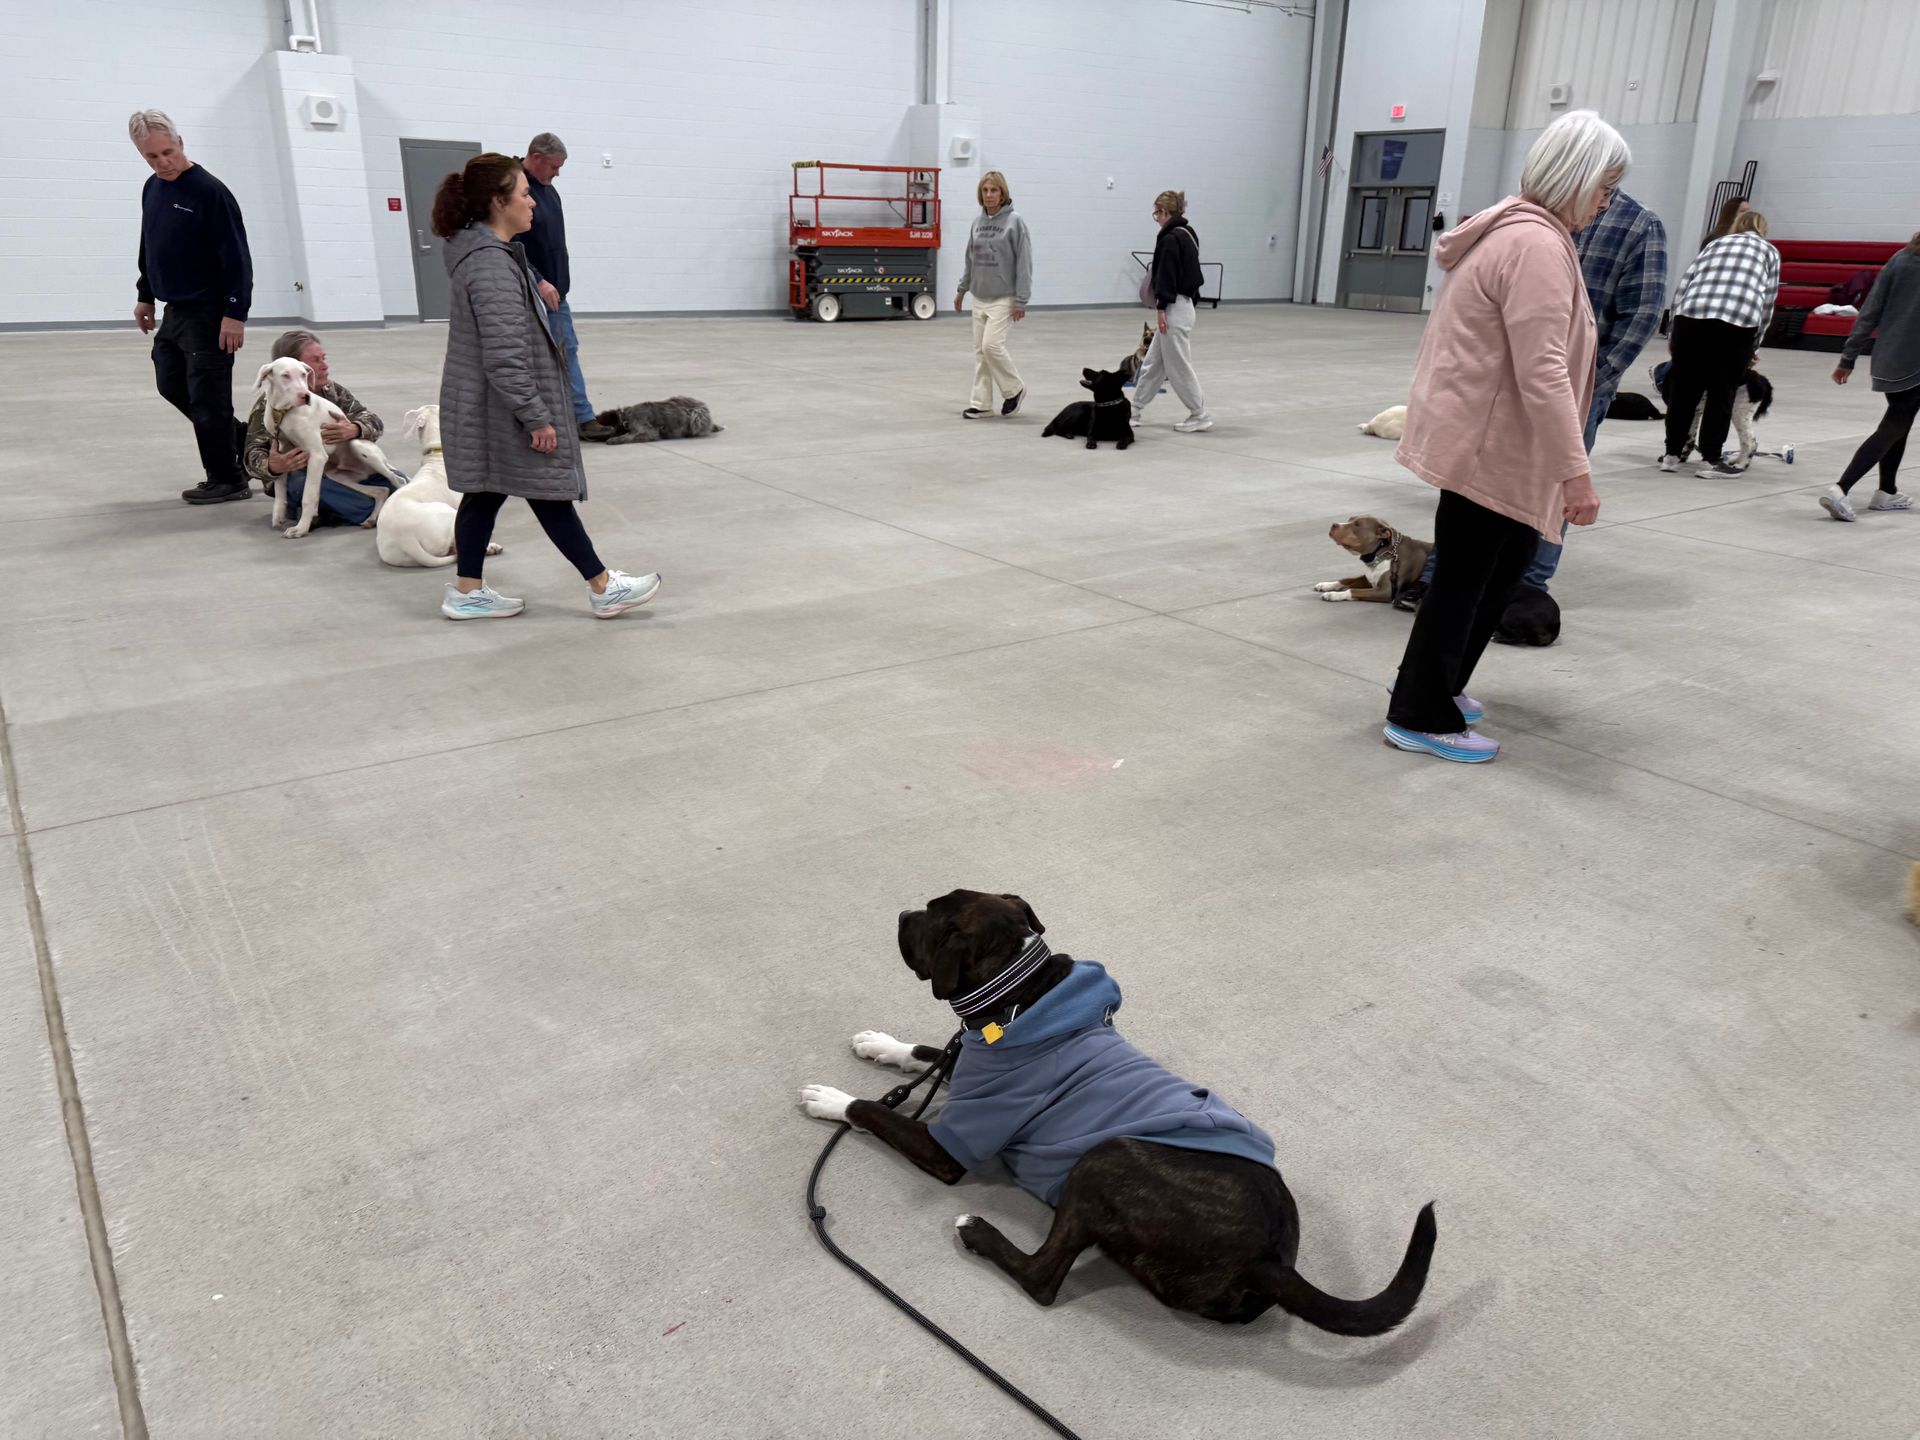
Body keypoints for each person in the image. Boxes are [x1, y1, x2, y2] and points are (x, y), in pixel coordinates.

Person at [1382, 110, 1619, 764]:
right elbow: (1541, 367)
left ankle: (1435, 687)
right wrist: (1576, 472)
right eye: (1604, 186)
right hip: (1495, 444)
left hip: (1492, 439)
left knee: (1491, 576)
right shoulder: (1536, 245)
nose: (1606, 202)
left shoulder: (1518, 232)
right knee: (1468, 582)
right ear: (1575, 177)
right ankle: (1420, 713)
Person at [1403, 183, 1668, 606]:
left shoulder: (1638, 224)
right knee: (1478, 498)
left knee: (1548, 500)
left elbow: (1643, 312)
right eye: (1600, 186)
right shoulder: (1527, 226)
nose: (1601, 203)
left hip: (1573, 386)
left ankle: (1524, 593)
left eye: (1608, 188)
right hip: (1506, 390)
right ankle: (1444, 584)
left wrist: (1591, 382)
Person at [430, 153, 659, 620]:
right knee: (546, 489)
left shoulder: (489, 255)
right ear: (499, 202)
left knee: (487, 491)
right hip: (499, 404)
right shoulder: (491, 265)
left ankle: (467, 591)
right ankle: (601, 585)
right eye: (523, 193)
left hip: (484, 403)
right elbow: (504, 353)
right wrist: (536, 416)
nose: (532, 202)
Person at [129, 108, 255, 505]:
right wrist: (145, 293)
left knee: (208, 398)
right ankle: (248, 442)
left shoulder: (209, 191)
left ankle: (228, 479)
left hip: (210, 312)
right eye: (152, 156)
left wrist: (235, 313)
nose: (163, 162)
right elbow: (150, 244)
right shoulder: (153, 188)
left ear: (181, 143)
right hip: (175, 310)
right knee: (171, 383)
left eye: (168, 152)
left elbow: (236, 257)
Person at [1660, 210, 1779, 478]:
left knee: (1684, 392)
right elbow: (1767, 301)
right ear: (1762, 229)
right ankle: (1711, 460)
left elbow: (1684, 285)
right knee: (1721, 392)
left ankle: (1671, 455)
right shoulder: (1769, 251)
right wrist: (1754, 346)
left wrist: (1673, 332)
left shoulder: (1715, 244)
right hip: (1736, 322)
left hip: (1692, 317)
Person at [242, 331, 397, 527]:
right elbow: (250, 457)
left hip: (340, 468)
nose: (324, 366)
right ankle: (377, 511)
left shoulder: (330, 390)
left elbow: (372, 420)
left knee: (390, 480)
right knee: (306, 484)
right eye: (316, 360)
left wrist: (355, 429)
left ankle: (348, 508)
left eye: (323, 358)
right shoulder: (270, 407)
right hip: (299, 476)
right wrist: (273, 466)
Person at [518, 133, 614, 443]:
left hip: (556, 290)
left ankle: (578, 416)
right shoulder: (515, 190)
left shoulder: (549, 191)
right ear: (536, 158)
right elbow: (510, 244)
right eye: (555, 167)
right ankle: (580, 418)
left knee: (565, 350)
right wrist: (538, 279)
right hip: (534, 290)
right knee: (554, 354)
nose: (558, 173)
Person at [1822, 231, 1920, 520]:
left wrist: (1848, 358)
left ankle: (1886, 491)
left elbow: (1870, 311)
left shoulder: (1900, 259)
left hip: (1890, 357)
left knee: (1900, 420)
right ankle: (1841, 488)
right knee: (1895, 424)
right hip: (1916, 361)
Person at [1133, 190, 1212, 433]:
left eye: (1156, 213)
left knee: (1178, 367)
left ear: (1165, 212)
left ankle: (1199, 414)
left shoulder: (1168, 239)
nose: (1155, 217)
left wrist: (1161, 309)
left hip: (1173, 308)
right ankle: (1134, 409)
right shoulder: (1188, 233)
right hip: (1183, 305)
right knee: (1154, 363)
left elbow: (1166, 277)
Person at [954, 170, 1031, 419]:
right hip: (980, 295)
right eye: (985, 190)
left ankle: (1014, 389)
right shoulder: (977, 223)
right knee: (980, 351)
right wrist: (961, 289)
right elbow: (970, 259)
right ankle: (982, 403)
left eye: (994, 190)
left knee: (991, 345)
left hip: (1003, 296)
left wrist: (1021, 299)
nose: (989, 195)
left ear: (1003, 193)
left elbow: (1024, 263)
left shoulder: (1015, 222)